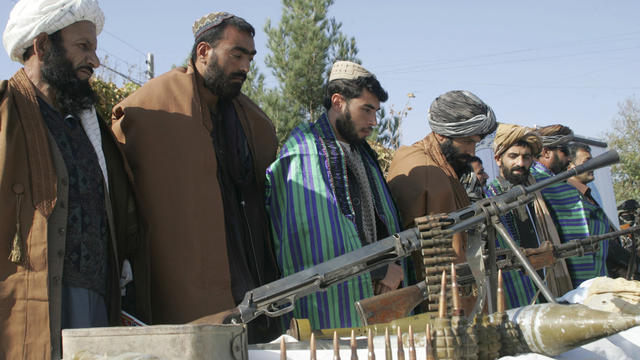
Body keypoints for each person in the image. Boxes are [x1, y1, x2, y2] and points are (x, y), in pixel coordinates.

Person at [111, 12, 280, 342]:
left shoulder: (251, 118)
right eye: (236, 54)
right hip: (185, 289)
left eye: (249, 57)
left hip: (249, 280)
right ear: (203, 52)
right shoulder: (150, 110)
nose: (245, 67)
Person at [1, 1, 147, 358]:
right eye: (84, 47)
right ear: (42, 46)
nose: (95, 61)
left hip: (96, 309)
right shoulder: (5, 113)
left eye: (94, 49)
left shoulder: (91, 127)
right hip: (28, 309)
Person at [265, 61, 403, 330]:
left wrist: (390, 266)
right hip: (329, 307)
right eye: (366, 109)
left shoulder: (362, 153)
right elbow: (311, 242)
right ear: (338, 102)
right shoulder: (303, 154)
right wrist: (378, 269)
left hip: (377, 298)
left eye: (376, 111)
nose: (374, 121)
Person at [387, 90, 497, 266]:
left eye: (475, 144)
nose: (472, 153)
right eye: (468, 142)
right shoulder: (431, 175)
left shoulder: (439, 164)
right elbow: (444, 259)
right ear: (441, 135)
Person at [485, 124, 573, 308]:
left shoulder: (541, 193)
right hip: (512, 287)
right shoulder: (489, 197)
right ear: (498, 159)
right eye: (513, 156)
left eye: (526, 157)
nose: (520, 163)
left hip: (547, 278)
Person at [532, 125, 608, 287]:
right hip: (575, 284)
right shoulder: (544, 185)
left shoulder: (556, 183)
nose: (568, 159)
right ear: (546, 152)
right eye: (564, 152)